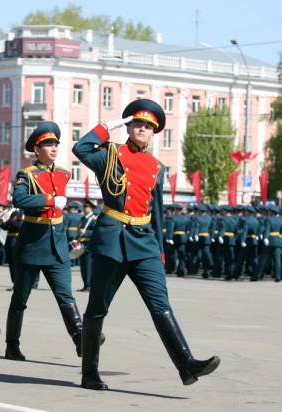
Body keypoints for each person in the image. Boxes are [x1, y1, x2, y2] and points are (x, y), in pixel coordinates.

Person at [72, 99, 220, 390]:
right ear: (128, 127)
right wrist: (108, 126)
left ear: (154, 133)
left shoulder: (157, 167)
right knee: (97, 308)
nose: (143, 129)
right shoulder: (110, 155)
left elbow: (158, 212)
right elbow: (81, 148)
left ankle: (186, 364)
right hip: (112, 239)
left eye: (149, 126)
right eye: (138, 123)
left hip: (145, 243)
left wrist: (160, 250)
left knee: (160, 305)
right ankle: (89, 373)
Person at [5, 122, 98, 361]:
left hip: (56, 243)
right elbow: (19, 199)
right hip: (32, 243)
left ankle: (79, 336)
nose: (54, 148)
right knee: (20, 297)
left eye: (56, 143)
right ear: (37, 150)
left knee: (65, 295)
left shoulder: (64, 173)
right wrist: (49, 199)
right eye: (48, 144)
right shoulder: (26, 174)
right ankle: (12, 344)